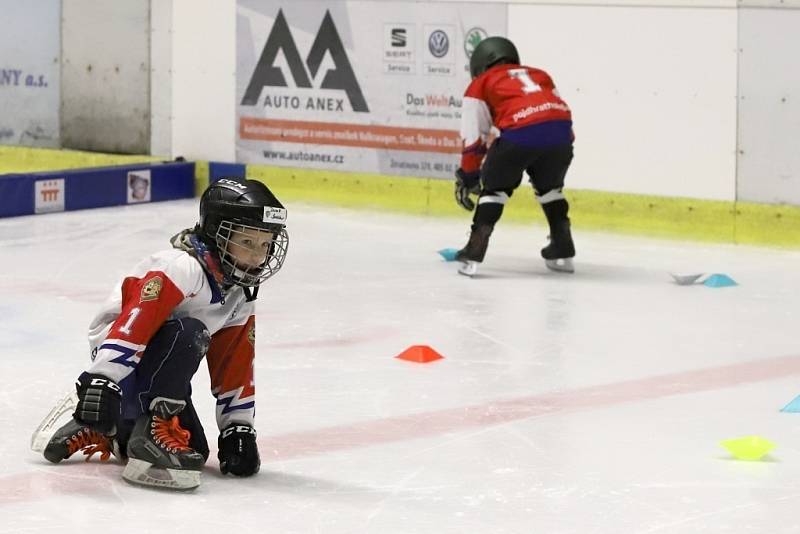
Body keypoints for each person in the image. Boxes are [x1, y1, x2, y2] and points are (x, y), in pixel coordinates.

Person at [39, 178, 289, 490]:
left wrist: (237, 428)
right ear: (216, 233)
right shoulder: (181, 268)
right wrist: (102, 381)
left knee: (196, 449)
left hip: (156, 371)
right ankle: (140, 423)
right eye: (247, 243)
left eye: (265, 245)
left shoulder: (238, 293)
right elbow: (134, 325)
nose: (257, 257)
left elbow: (235, 364)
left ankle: (112, 430)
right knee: (190, 333)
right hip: (118, 365)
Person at [454, 36, 576, 276]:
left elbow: (473, 138)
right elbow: (555, 109)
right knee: (550, 189)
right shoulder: (540, 74)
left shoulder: (480, 83)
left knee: (495, 189)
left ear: (479, 64)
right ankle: (562, 247)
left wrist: (469, 176)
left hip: (522, 131)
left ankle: (474, 250)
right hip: (561, 133)